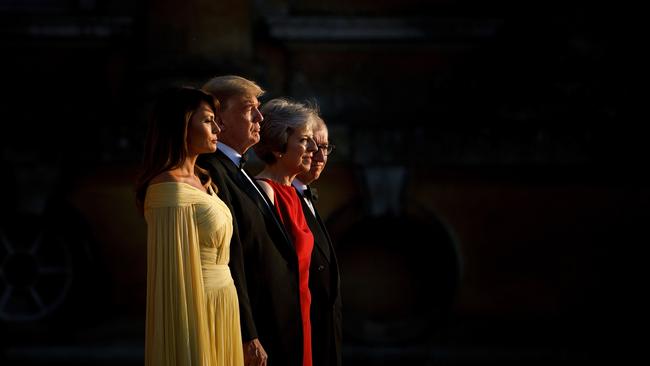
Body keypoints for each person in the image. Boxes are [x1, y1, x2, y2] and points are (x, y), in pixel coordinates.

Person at [197, 76, 304, 366]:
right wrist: (247, 334)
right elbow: (229, 257)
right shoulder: (210, 171)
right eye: (248, 109)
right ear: (219, 117)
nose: (260, 117)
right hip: (253, 326)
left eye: (259, 108)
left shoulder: (238, 168)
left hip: (273, 321)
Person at [135, 86, 244, 366]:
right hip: (195, 306)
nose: (217, 129)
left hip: (223, 302)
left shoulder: (204, 180)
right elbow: (174, 282)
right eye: (208, 120)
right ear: (181, 125)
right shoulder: (169, 190)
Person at [253, 98, 319, 366]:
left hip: (301, 315)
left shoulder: (296, 192)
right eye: (305, 140)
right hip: (277, 323)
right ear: (279, 145)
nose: (313, 148)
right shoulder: (265, 190)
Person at [293, 114, 342, 366]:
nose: (321, 157)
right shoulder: (282, 198)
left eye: (325, 148)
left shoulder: (305, 194)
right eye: (313, 147)